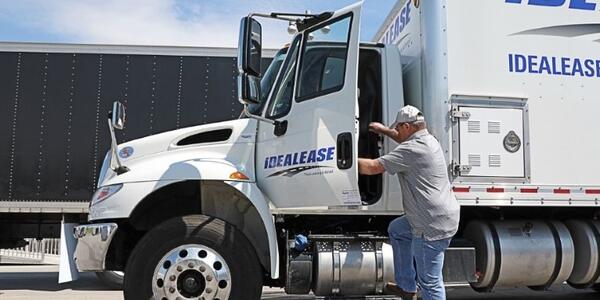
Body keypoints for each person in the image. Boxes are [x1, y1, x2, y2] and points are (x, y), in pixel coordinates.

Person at [358, 105, 460, 300]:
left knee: (430, 283)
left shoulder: (411, 150)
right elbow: (402, 137)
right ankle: (407, 287)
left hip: (429, 223)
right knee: (397, 229)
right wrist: (383, 130)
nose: (396, 131)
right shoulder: (429, 140)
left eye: (398, 128)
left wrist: (342, 162)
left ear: (406, 126)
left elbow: (373, 167)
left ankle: (414, 288)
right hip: (441, 214)